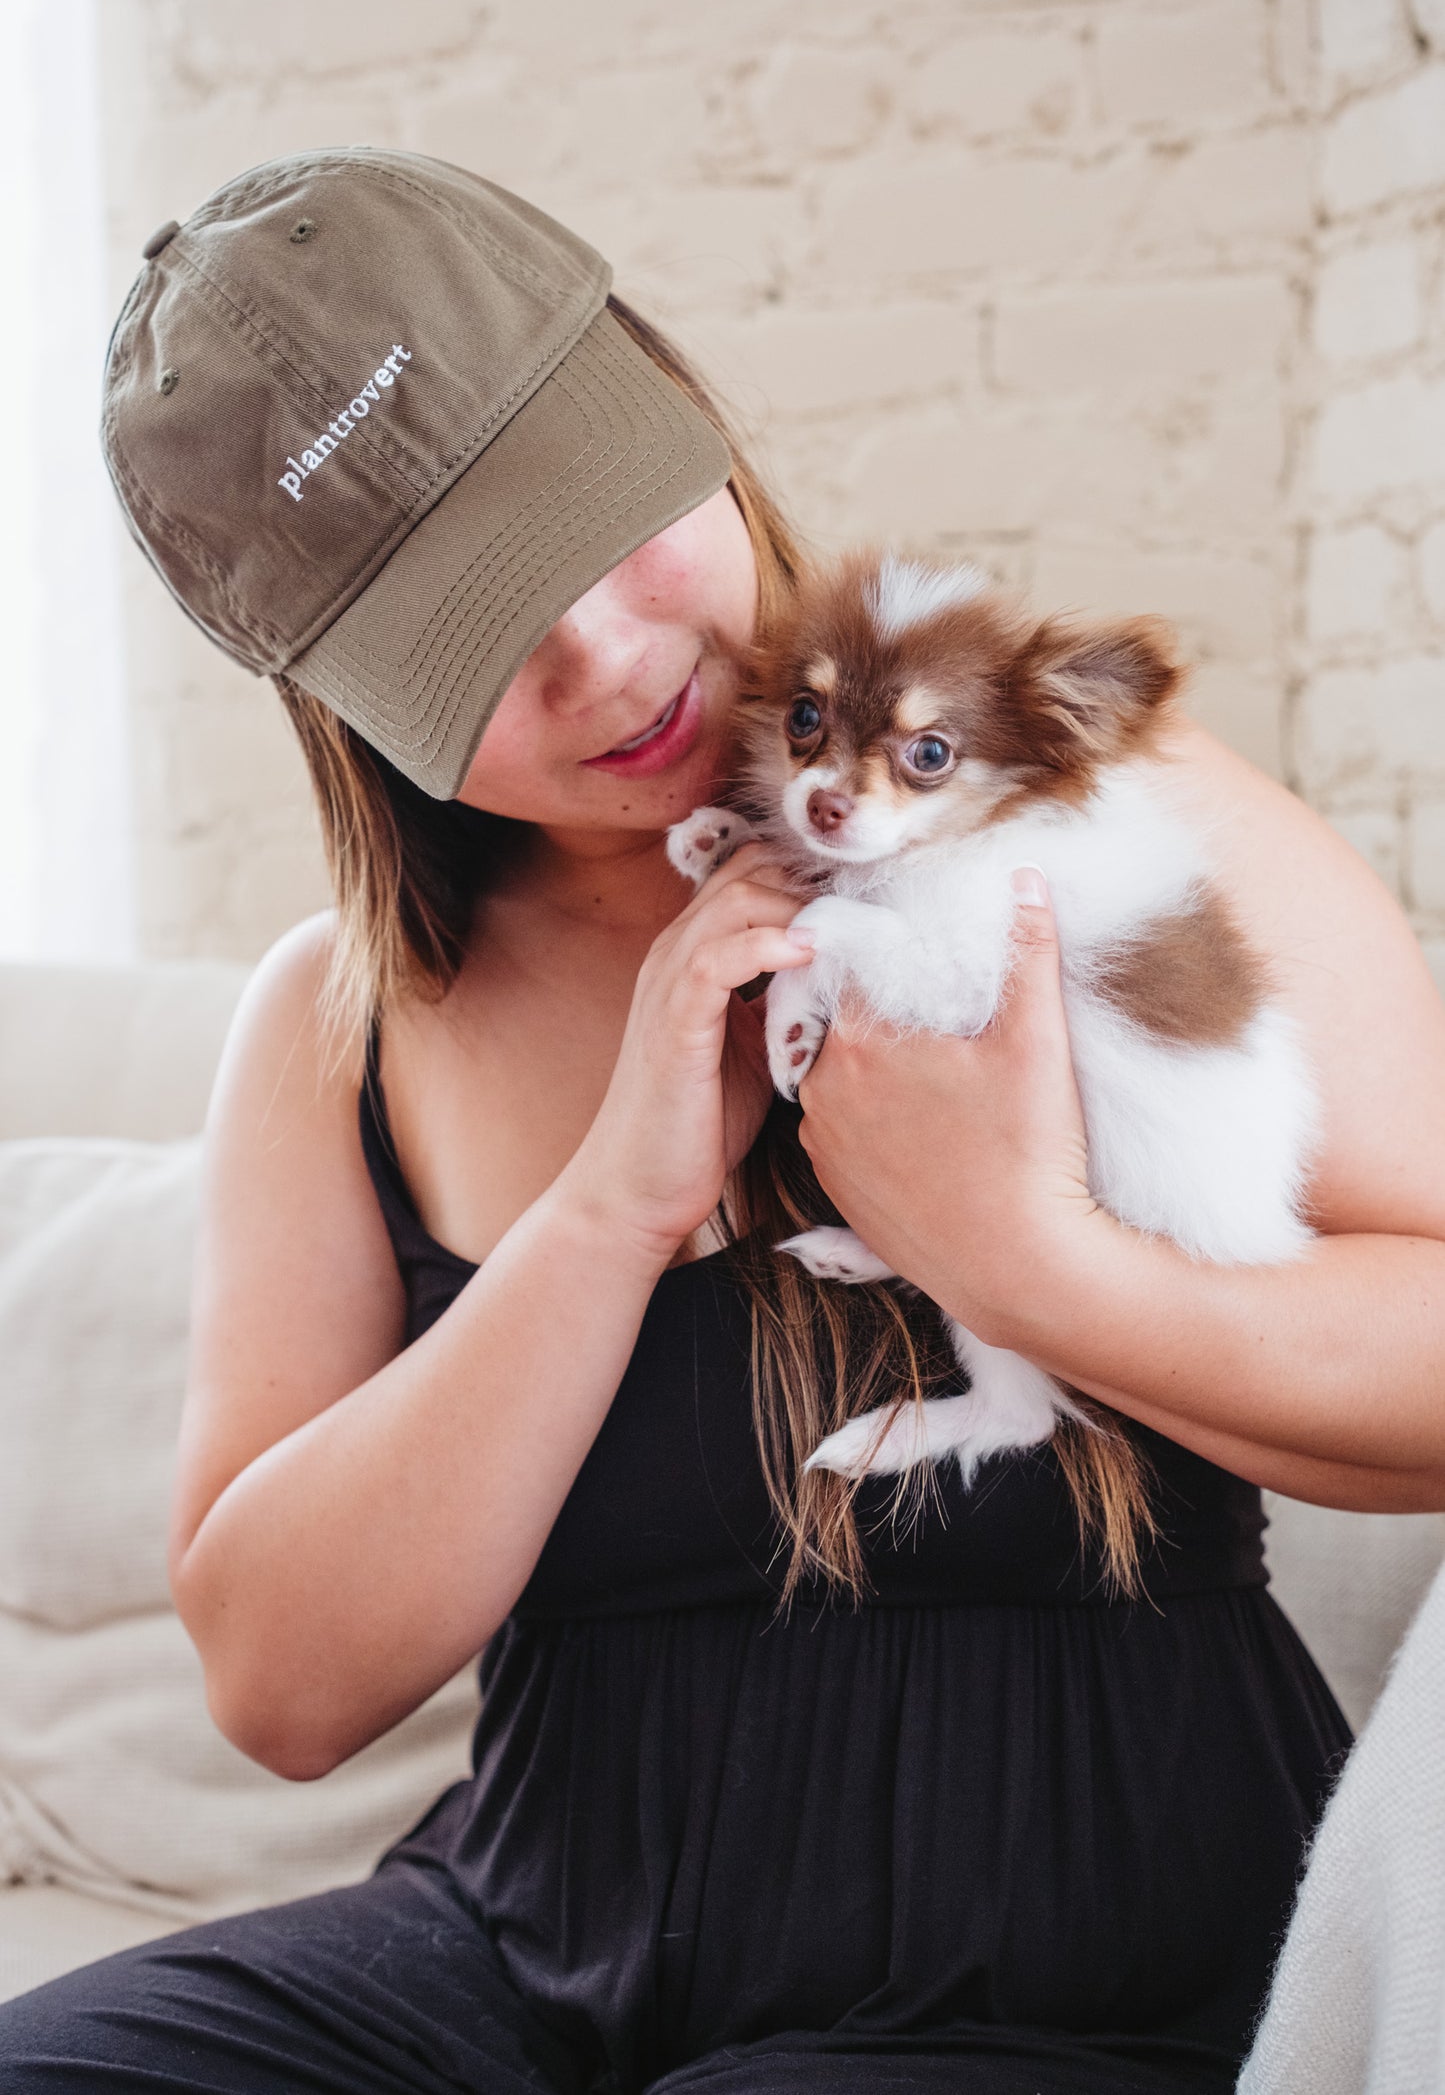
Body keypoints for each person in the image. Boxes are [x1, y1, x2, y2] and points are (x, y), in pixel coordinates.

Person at [2, 144, 1443, 2094]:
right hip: (524, 1959)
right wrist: (610, 1206)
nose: (605, 661)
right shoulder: (342, 1030)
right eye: (473, 638)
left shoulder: (1082, 805)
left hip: (1086, 1971)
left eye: (590, 529)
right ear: (341, 702)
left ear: (667, 396)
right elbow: (280, 1684)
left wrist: (1022, 1256)